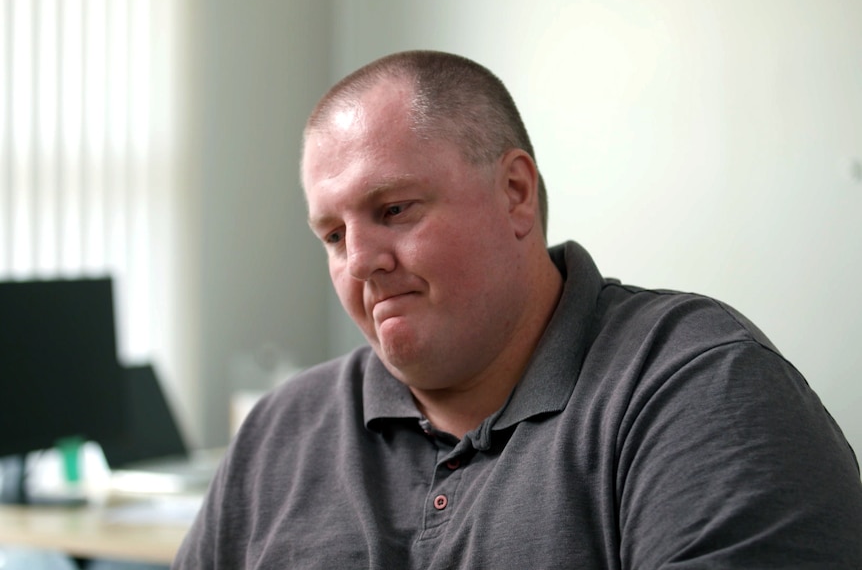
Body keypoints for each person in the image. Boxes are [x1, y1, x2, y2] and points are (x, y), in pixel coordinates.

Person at [173, 50, 862, 569]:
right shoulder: (280, 434)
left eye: (394, 210)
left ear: (515, 192)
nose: (359, 260)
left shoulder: (701, 388)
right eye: (333, 234)